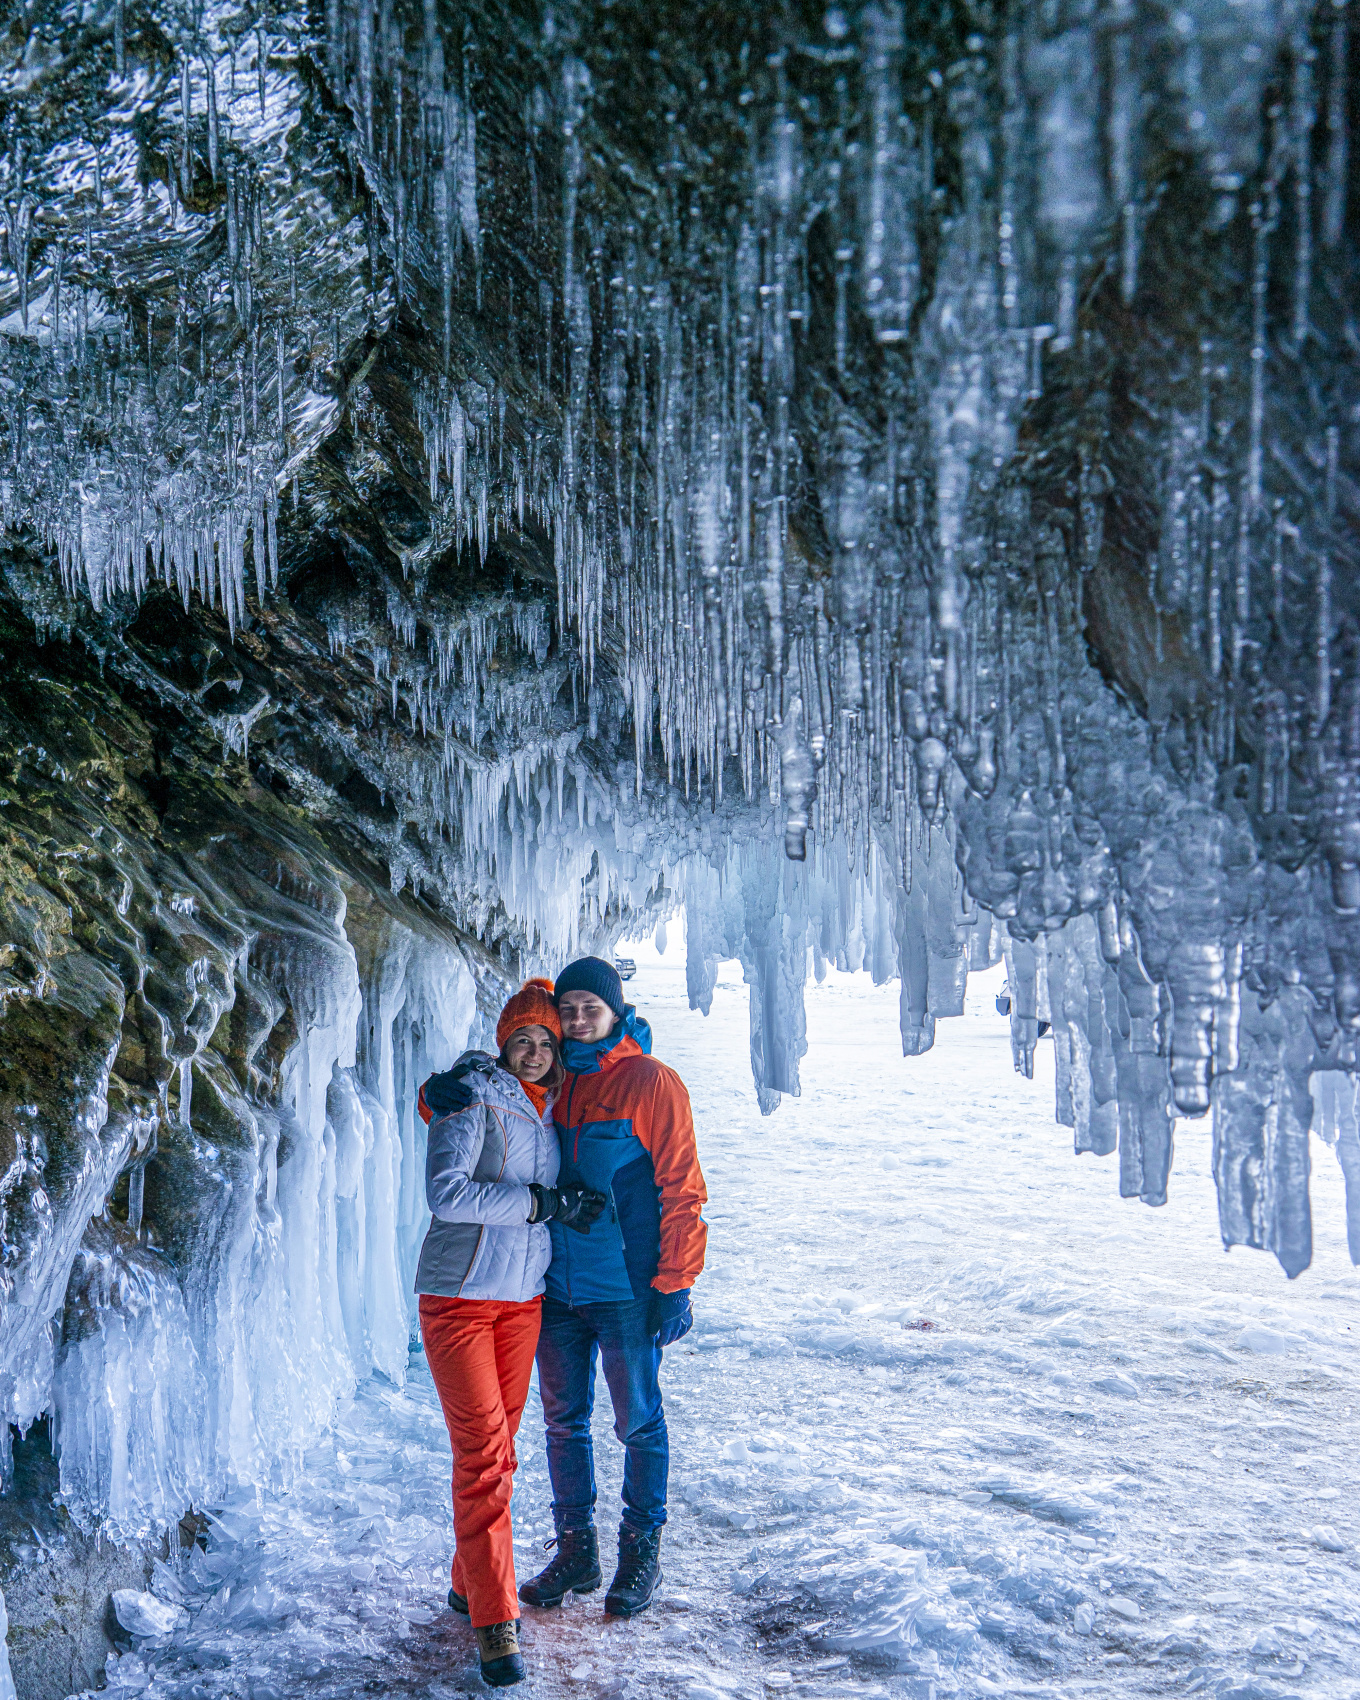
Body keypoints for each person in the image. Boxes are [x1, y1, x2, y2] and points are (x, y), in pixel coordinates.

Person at [415, 978, 606, 1688]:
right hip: (460, 1297)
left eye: (545, 1041)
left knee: (502, 1452)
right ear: (503, 1044)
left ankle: (468, 1582)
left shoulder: (549, 1106)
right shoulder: (471, 1094)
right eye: (521, 1039)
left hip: (521, 1302)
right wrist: (540, 1203)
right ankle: (495, 1622)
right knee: (484, 1458)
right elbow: (447, 1193)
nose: (532, 1051)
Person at [518, 955, 708, 1620]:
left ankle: (639, 1552)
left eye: (588, 1008)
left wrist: (675, 1284)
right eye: (567, 1008)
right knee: (564, 1422)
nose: (576, 1019)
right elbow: (483, 1097)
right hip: (557, 1289)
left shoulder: (652, 1082)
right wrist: (444, 1090)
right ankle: (577, 1551)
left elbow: (682, 1189)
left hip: (626, 1288)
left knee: (638, 1422)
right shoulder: (550, 1077)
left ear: (614, 1011)